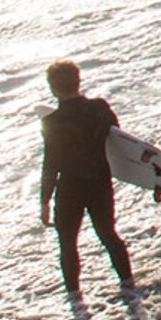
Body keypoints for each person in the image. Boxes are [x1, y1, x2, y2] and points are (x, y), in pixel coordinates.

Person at [39, 59, 134, 298]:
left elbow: (50, 164)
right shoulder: (100, 108)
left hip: (70, 188)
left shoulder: (52, 123)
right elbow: (119, 142)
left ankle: (75, 301)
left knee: (68, 244)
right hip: (100, 183)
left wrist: (45, 201)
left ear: (52, 88)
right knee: (108, 235)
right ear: (79, 81)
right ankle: (130, 287)